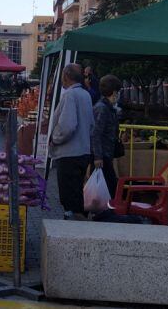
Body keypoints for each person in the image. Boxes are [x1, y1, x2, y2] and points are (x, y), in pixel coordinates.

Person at [49, 64, 95, 220]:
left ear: (66, 76)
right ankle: (77, 222)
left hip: (69, 153)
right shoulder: (85, 94)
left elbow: (68, 125)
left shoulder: (70, 95)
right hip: (83, 151)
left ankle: (74, 226)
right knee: (76, 193)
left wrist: (55, 138)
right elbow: (91, 125)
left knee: (70, 197)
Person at [91, 74, 122, 198]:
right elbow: (96, 133)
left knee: (106, 185)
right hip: (102, 155)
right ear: (114, 92)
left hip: (105, 154)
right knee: (108, 185)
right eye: (118, 92)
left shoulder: (107, 108)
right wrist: (98, 156)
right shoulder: (103, 109)